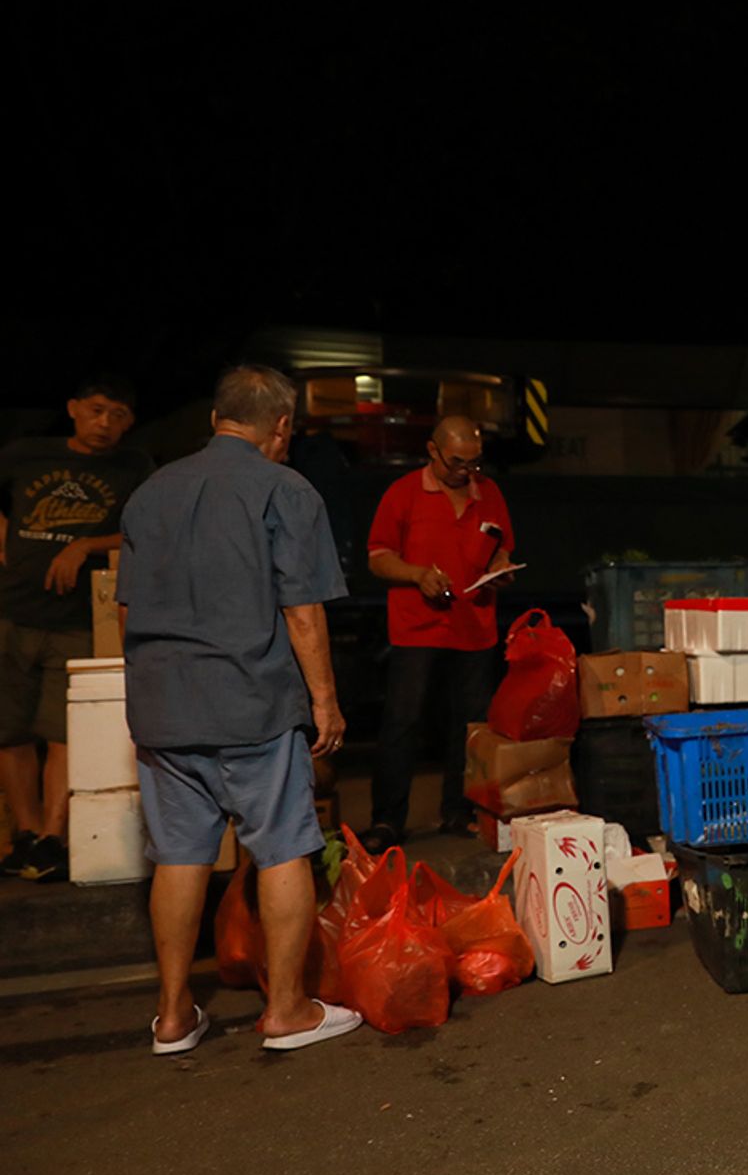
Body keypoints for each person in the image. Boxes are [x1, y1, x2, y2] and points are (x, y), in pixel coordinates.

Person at [118, 364, 361, 1052]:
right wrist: (326, 703)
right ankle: (286, 1010)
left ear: (216, 417)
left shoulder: (149, 494)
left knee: (179, 855)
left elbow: (129, 609)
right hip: (251, 701)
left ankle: (172, 1017)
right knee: (285, 847)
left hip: (164, 707)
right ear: (281, 427)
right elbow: (303, 612)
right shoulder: (284, 489)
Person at [0, 379, 152, 882]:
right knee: (10, 731)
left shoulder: (133, 467)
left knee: (64, 733)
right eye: (96, 410)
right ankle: (22, 834)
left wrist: (83, 546)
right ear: (73, 409)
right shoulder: (26, 454)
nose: (105, 423)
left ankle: (51, 837)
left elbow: (142, 527)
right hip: (13, 610)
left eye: (117, 415)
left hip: (79, 620)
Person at [365, 415, 515, 850]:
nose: (467, 471)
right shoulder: (403, 493)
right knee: (402, 722)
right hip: (418, 627)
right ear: (432, 451)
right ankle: (387, 821)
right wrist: (416, 575)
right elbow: (377, 557)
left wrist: (500, 568)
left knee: (469, 727)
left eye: (474, 463)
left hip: (475, 625)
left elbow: (502, 545)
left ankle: (458, 811)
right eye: (457, 463)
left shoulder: (489, 493)